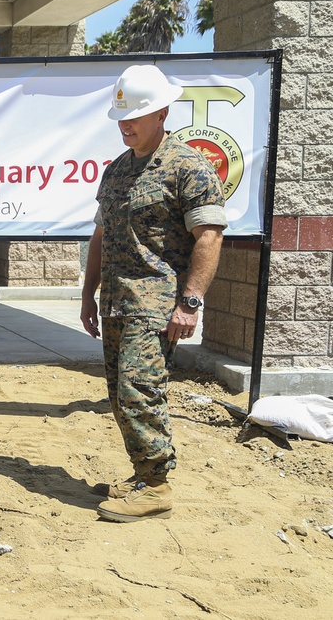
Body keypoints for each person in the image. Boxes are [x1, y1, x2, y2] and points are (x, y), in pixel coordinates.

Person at [80, 64, 227, 523]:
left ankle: (157, 484)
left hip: (158, 303)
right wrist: (88, 294)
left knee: (138, 390)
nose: (126, 125)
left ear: (161, 112)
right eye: (121, 117)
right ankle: (144, 474)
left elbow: (209, 236)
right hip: (117, 301)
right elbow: (102, 236)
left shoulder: (189, 167)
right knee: (119, 394)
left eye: (135, 116)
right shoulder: (117, 170)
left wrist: (190, 302)